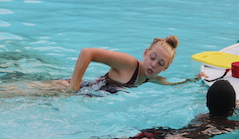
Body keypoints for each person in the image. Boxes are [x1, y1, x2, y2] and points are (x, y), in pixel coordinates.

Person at [90, 80, 239, 139]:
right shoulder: (235, 125)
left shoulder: (202, 116)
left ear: (207, 103)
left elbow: (219, 110)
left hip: (164, 132)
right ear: (232, 106)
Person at [55, 35, 204, 94]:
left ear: (165, 68)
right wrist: (73, 86)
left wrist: (195, 80)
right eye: (152, 57)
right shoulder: (128, 64)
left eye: (160, 63)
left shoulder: (151, 78)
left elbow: (171, 83)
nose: (153, 64)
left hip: (82, 95)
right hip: (67, 87)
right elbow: (87, 52)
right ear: (145, 53)